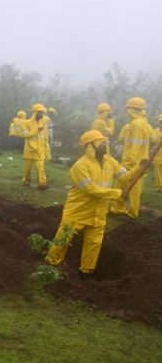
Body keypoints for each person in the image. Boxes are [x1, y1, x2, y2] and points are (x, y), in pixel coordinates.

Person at [45, 130, 144, 278]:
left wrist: (139, 168)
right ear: (90, 146)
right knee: (64, 238)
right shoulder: (80, 166)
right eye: (101, 143)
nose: (105, 145)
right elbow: (91, 190)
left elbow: (125, 178)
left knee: (94, 243)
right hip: (78, 210)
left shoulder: (110, 161)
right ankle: (50, 264)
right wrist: (117, 194)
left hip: (98, 212)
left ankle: (86, 272)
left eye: (105, 142)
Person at [110, 97, 158, 218]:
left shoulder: (136, 124)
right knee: (123, 185)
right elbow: (154, 139)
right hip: (138, 161)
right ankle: (118, 208)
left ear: (132, 109)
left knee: (132, 188)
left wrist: (129, 163)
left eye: (128, 108)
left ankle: (131, 212)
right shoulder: (143, 122)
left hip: (134, 163)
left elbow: (135, 146)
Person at [22, 104, 49, 190]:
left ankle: (42, 184)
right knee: (27, 169)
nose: (42, 115)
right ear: (35, 113)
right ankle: (26, 181)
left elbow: (45, 138)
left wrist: (46, 150)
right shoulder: (26, 123)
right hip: (29, 150)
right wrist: (37, 130)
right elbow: (25, 135)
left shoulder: (43, 123)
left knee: (41, 168)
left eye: (43, 113)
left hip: (39, 150)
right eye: (40, 113)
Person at [154, 114, 162, 192]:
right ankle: (159, 187)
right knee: (158, 173)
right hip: (157, 156)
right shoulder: (155, 131)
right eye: (161, 122)